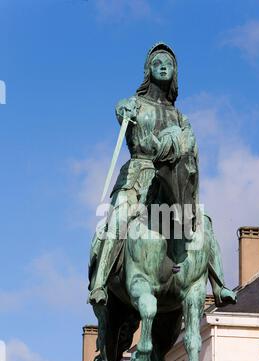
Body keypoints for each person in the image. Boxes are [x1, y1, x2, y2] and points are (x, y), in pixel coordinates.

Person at [88, 42, 235, 307]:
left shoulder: (180, 117)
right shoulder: (133, 104)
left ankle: (220, 284)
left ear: (175, 72)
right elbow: (120, 108)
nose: (163, 66)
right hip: (136, 178)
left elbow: (189, 147)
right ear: (148, 70)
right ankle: (100, 283)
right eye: (157, 63)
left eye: (168, 63)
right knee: (120, 217)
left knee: (205, 222)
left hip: (170, 178)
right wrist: (123, 110)